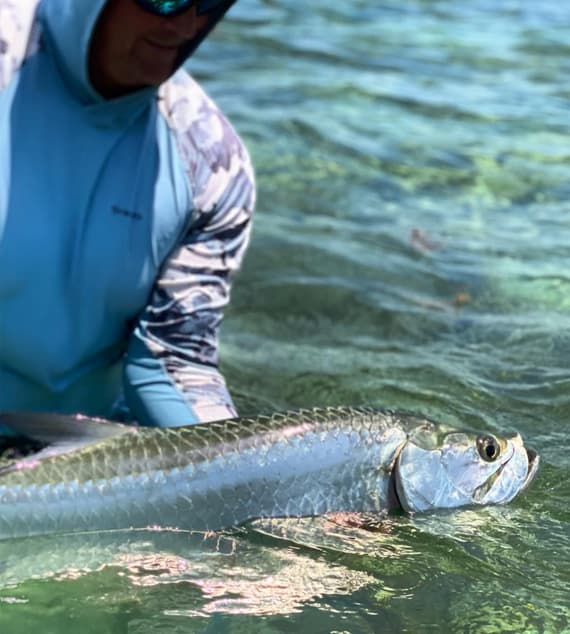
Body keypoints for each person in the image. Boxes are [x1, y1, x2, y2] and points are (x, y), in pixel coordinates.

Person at [0, 0, 255, 427]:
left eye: (212, 1)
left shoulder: (214, 164)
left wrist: (245, 471)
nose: (187, 24)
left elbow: (172, 360)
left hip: (82, 455)